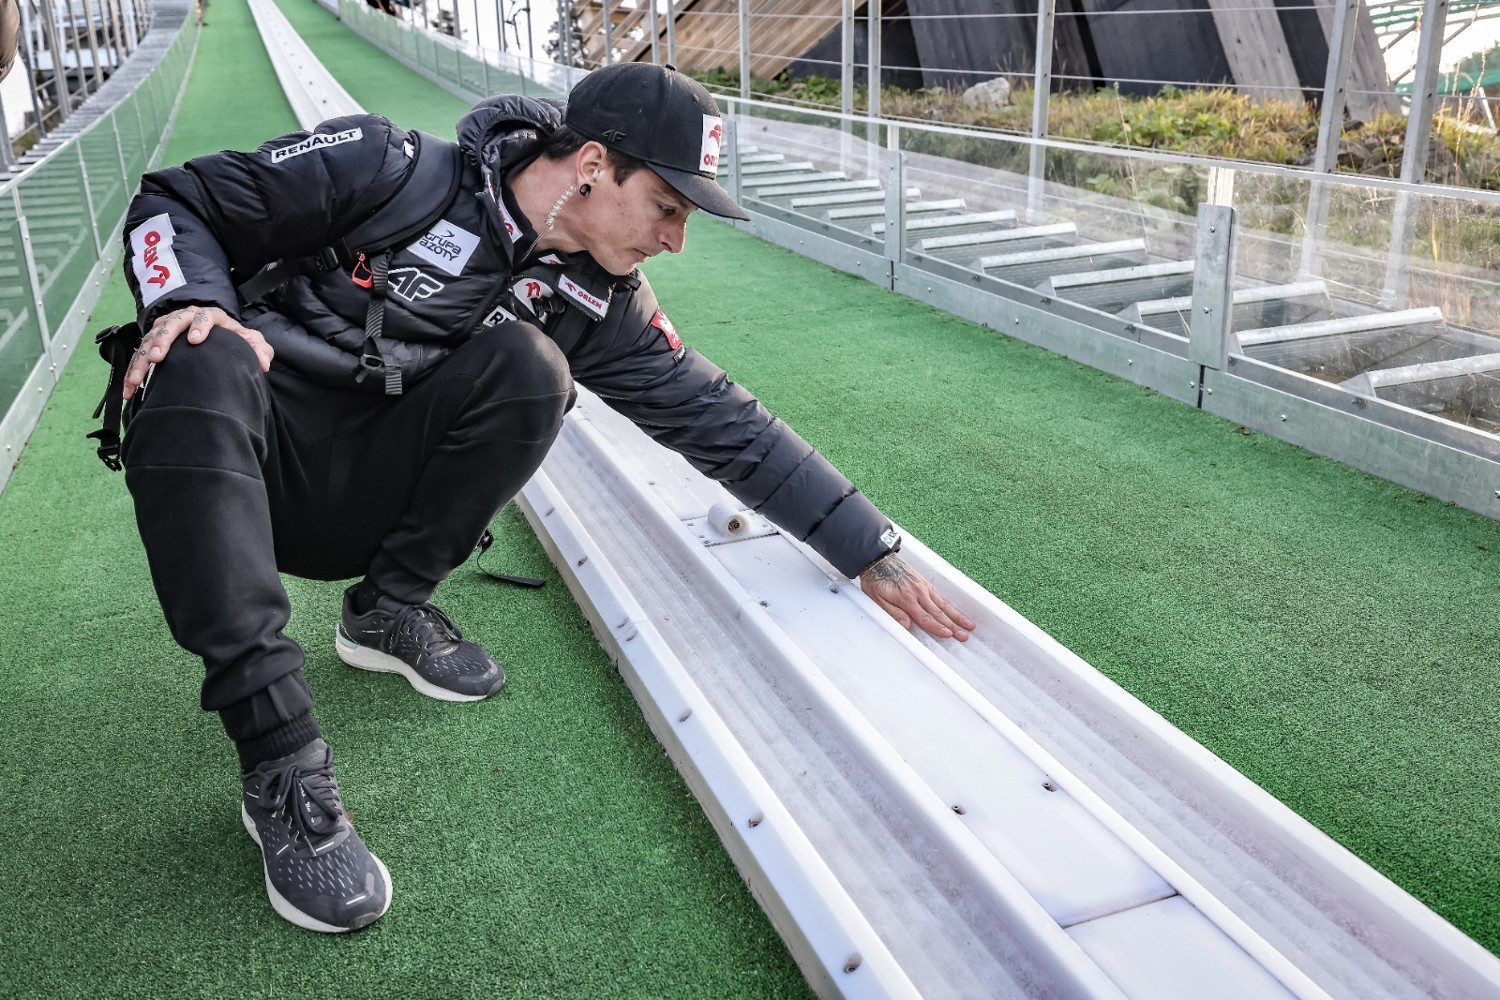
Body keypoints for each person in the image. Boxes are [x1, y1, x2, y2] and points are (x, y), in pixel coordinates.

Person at [117, 62, 974, 934]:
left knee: (534, 369)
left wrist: (868, 547)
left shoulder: (600, 300)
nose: (677, 240)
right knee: (198, 349)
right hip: (245, 473)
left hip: (361, 500)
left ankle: (386, 613)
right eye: (667, 207)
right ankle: (281, 761)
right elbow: (176, 198)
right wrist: (187, 301)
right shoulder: (385, 165)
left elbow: (722, 419)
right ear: (594, 164)